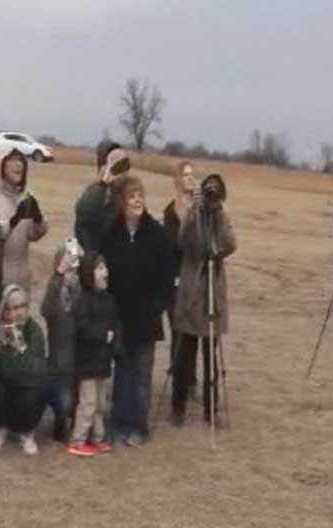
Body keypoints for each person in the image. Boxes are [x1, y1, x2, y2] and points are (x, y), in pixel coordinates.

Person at [100, 175, 172, 446]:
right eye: (132, 196)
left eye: (140, 195)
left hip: (146, 317)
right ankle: (118, 421)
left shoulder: (157, 234)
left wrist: (157, 305)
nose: (137, 200)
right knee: (122, 371)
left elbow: (167, 276)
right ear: (122, 202)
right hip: (118, 315)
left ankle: (138, 426)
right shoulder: (111, 232)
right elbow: (103, 270)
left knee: (142, 372)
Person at [170, 173, 236, 427]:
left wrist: (218, 213)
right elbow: (183, 240)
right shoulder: (193, 213)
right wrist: (195, 211)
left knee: (211, 354)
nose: (210, 197)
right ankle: (178, 406)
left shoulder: (221, 216)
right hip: (192, 290)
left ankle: (212, 409)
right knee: (185, 353)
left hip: (212, 291)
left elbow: (230, 244)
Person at [0, 147, 47, 344]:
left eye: (21, 161)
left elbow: (33, 234)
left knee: (14, 344)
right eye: (12, 160)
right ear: (1, 165)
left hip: (19, 283)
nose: (18, 165)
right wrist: (13, 221)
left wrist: (38, 220)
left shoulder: (27, 196)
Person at [0, 284, 47, 455]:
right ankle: (0, 428)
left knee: (35, 392)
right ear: (5, 312)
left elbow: (35, 373)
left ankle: (26, 432)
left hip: (26, 390)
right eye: (14, 308)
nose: (19, 312)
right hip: (4, 391)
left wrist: (19, 350)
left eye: (23, 306)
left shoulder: (34, 331)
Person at [67, 253, 120, 457]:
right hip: (87, 362)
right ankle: (78, 438)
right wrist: (101, 336)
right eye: (99, 268)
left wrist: (114, 340)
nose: (105, 272)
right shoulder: (83, 301)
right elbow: (82, 327)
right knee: (88, 402)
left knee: (101, 403)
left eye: (104, 267)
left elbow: (115, 323)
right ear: (89, 274)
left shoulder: (109, 299)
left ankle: (98, 437)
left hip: (103, 360)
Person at [161, 160, 194, 400]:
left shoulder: (201, 210)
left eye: (193, 175)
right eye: (186, 175)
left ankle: (191, 379)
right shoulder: (170, 212)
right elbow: (172, 246)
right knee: (178, 332)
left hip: (197, 280)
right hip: (175, 281)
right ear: (178, 180)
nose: (191, 179)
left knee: (195, 332)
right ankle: (179, 378)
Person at [41, 243, 79, 443]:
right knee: (64, 402)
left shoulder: (82, 291)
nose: (71, 270)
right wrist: (58, 276)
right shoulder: (54, 292)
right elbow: (46, 310)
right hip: (59, 366)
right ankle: (60, 417)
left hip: (81, 365)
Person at [73, 140, 130, 253]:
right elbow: (84, 215)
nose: (120, 171)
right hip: (95, 256)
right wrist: (104, 184)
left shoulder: (127, 193)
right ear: (103, 168)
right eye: (114, 164)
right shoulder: (94, 193)